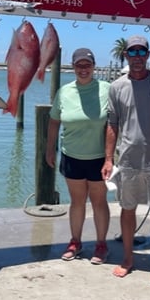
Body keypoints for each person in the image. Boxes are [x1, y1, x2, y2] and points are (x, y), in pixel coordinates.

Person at [101, 35, 150, 282]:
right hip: (128, 160)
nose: (137, 57)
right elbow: (112, 124)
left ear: (147, 55)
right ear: (126, 55)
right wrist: (108, 159)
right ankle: (128, 257)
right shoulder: (116, 87)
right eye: (132, 53)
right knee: (127, 209)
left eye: (140, 52)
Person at [46, 48, 111, 264]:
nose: (83, 69)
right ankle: (75, 241)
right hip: (71, 155)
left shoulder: (107, 89)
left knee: (99, 201)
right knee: (77, 201)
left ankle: (101, 244)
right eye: (79, 65)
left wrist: (112, 156)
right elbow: (54, 121)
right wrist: (49, 148)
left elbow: (117, 122)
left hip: (99, 157)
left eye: (87, 65)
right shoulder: (64, 92)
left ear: (94, 66)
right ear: (73, 67)